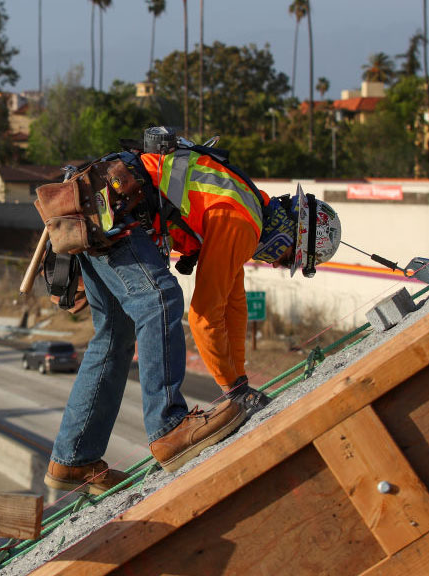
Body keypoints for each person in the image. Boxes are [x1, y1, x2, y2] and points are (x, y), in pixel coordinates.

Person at [43, 127, 343, 493]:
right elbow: (203, 315)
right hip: (109, 207)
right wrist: (233, 388)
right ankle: (169, 428)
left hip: (93, 204)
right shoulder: (243, 221)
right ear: (289, 237)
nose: (277, 264)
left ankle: (73, 459)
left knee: (114, 335)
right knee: (160, 299)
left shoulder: (245, 208)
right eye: (284, 259)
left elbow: (232, 307)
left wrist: (240, 383)